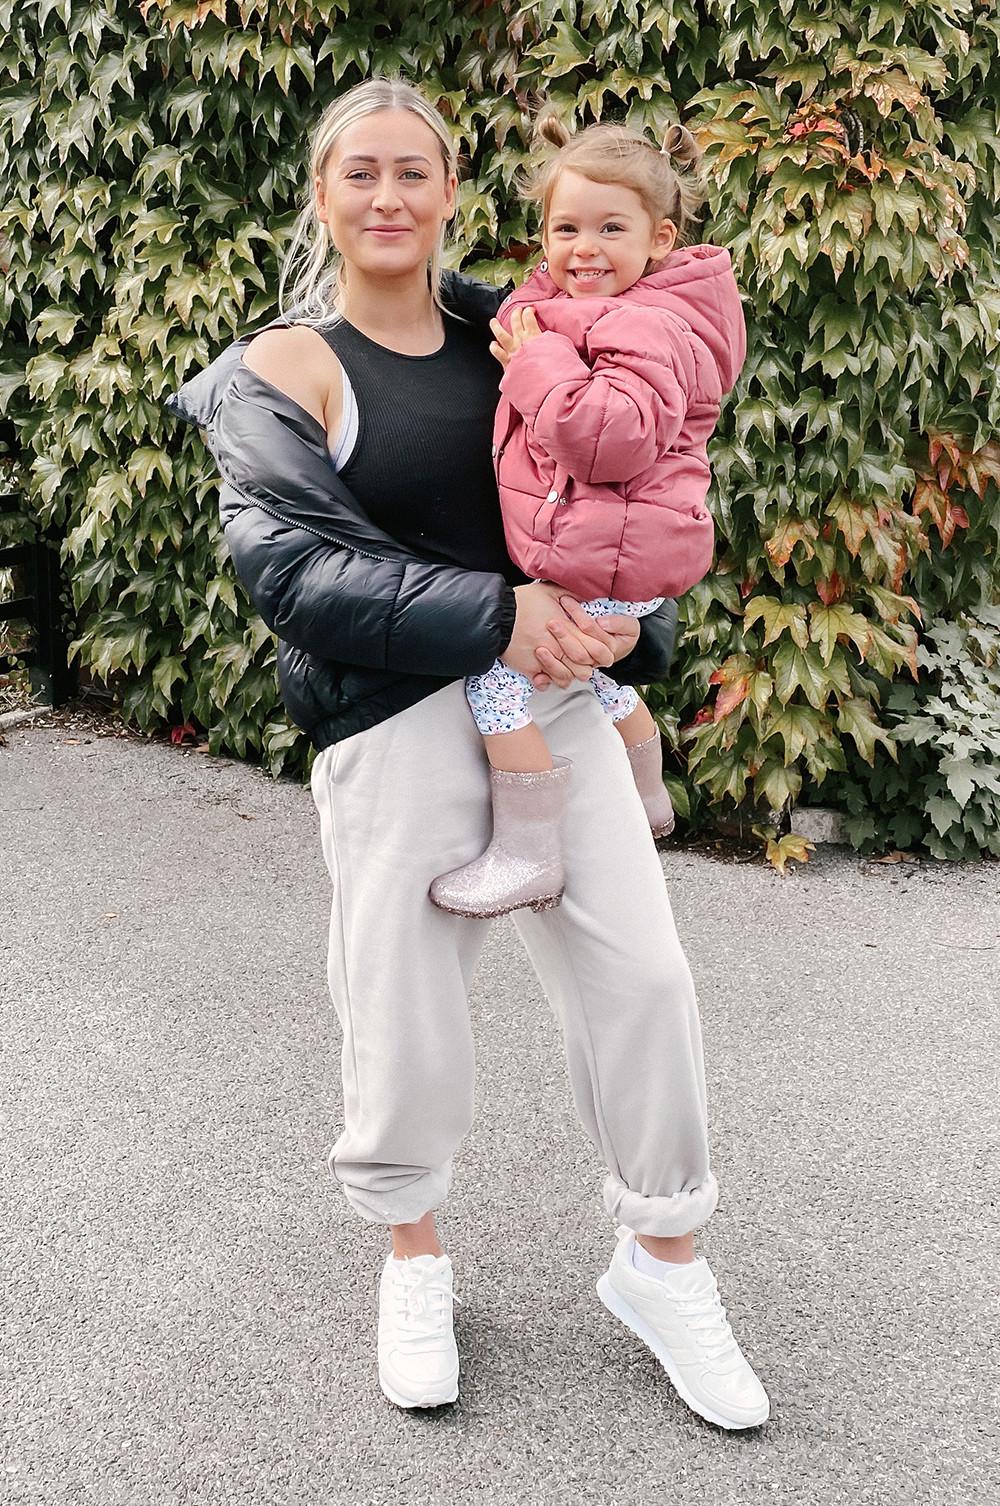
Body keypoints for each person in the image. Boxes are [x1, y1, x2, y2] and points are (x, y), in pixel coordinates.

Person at [166, 76, 769, 1431]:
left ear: (451, 190)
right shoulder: (287, 368)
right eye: (360, 173)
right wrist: (501, 612)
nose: (389, 197)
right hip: (395, 717)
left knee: (646, 979)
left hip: (550, 707)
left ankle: (662, 1258)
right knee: (405, 1006)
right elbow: (291, 569)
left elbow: (635, 479)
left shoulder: (524, 322)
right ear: (324, 193)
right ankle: (414, 1256)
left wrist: (632, 636)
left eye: (414, 173)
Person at [429, 115, 746, 920]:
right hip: (621, 554)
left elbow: (612, 438)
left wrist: (535, 364)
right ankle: (646, 795)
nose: (585, 248)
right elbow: (526, 315)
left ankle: (529, 852)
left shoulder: (647, 323)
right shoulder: (604, 305)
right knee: (595, 672)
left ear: (660, 238)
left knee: (493, 682)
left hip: (610, 556)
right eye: (566, 228)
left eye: (612, 228)